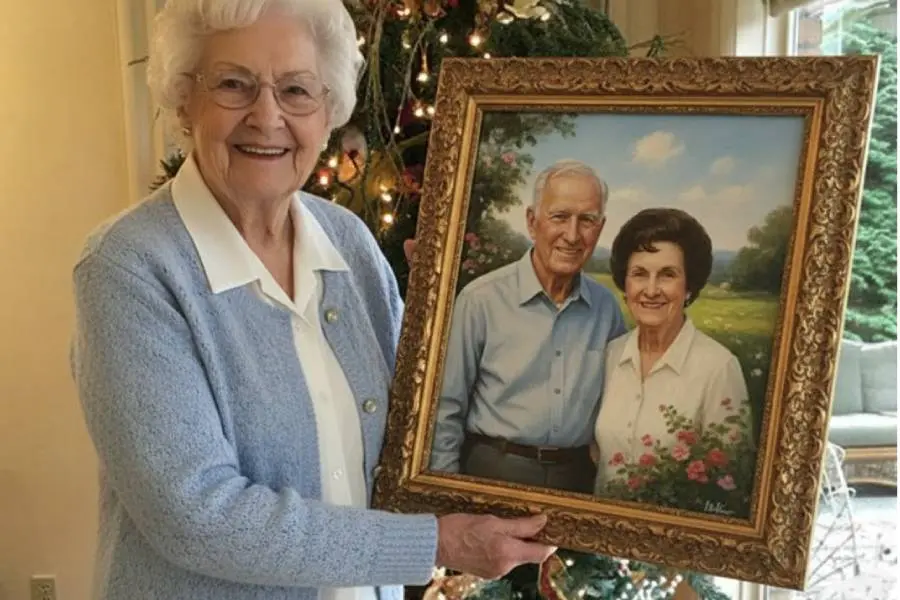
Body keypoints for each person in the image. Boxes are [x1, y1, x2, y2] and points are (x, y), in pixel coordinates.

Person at [69, 2, 556, 599]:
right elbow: (195, 516)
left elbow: (411, 439)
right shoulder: (129, 267)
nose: (266, 116)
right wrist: (435, 543)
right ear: (184, 101)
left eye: (297, 90)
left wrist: (461, 323)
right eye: (233, 84)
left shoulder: (347, 241)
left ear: (328, 113)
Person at [428, 159, 626, 494]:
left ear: (601, 227)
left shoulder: (607, 309)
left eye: (587, 220)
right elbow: (444, 409)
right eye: (560, 217)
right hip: (492, 473)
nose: (573, 235)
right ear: (532, 222)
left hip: (577, 482)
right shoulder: (481, 300)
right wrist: (446, 495)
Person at [592, 208, 752, 504]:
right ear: (625, 284)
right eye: (640, 274)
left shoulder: (719, 367)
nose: (651, 290)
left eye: (667, 275)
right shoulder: (611, 354)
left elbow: (731, 482)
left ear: (689, 287)